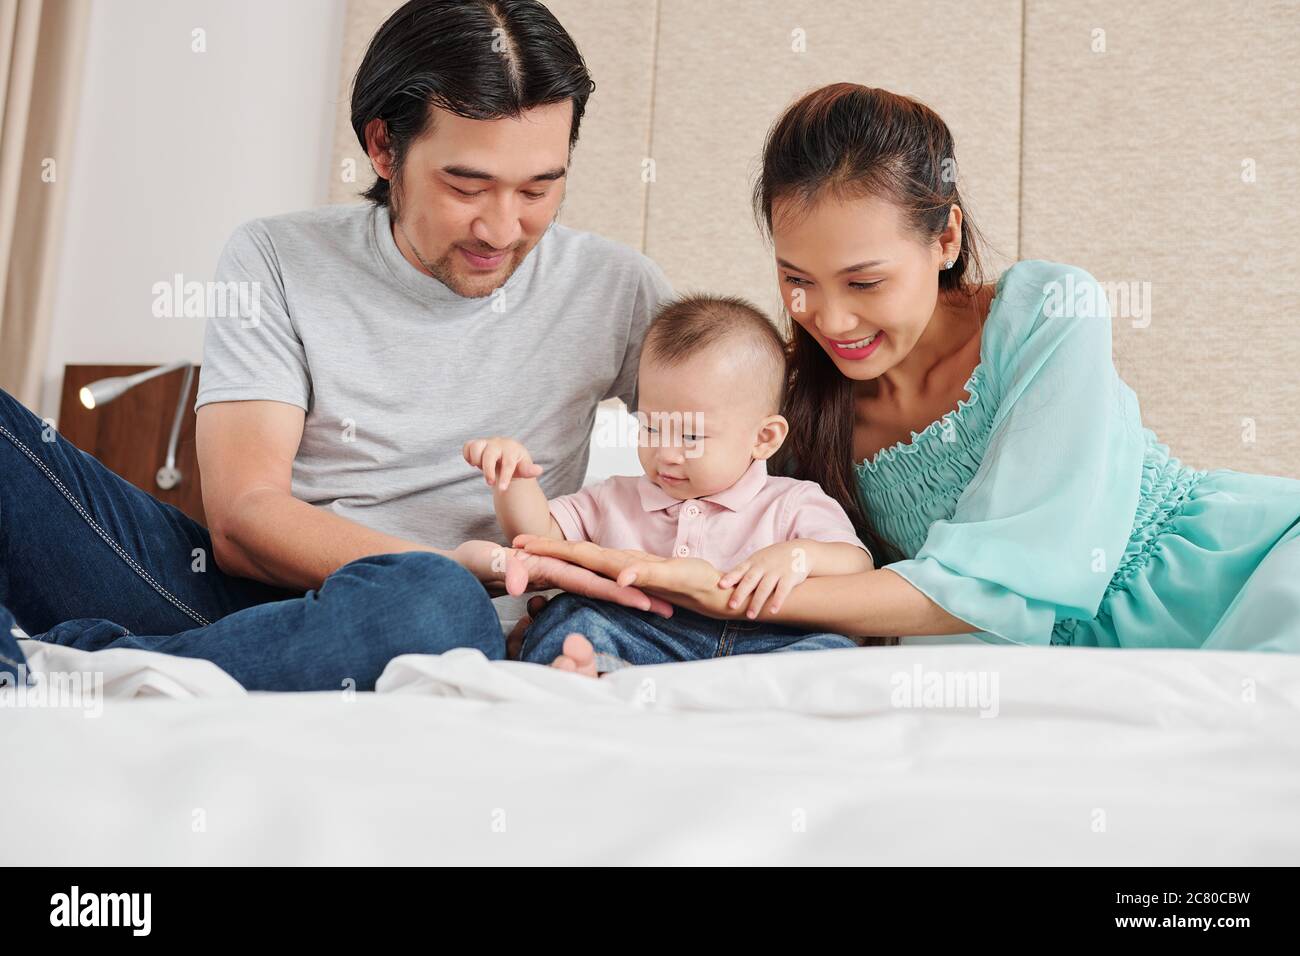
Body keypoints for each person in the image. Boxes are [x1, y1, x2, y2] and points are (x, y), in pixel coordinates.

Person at [0, 0, 676, 691]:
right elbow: (242, 519)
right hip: (246, 598)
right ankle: (132, 665)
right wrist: (459, 560)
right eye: (466, 186)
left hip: (440, 621)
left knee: (434, 604)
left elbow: (735, 468)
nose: (502, 229)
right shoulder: (276, 255)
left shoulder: (616, 289)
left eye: (539, 189)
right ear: (384, 147)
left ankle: (82, 668)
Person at [517, 83, 1300, 653]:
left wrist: (736, 596)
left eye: (864, 282)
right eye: (798, 281)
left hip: (1229, 578)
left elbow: (1005, 581)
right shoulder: (787, 404)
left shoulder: (1048, 314)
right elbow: (728, 530)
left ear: (945, 239)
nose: (831, 319)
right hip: (1003, 664)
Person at [464, 294, 874, 674]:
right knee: (571, 615)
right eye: (652, 427)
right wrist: (513, 480)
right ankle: (588, 673)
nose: (667, 453)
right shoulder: (615, 497)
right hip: (644, 634)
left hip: (764, 640)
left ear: (763, 438)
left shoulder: (792, 501)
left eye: (691, 436)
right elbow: (536, 538)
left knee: (832, 650)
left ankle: (743, 710)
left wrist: (799, 557)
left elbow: (857, 565)